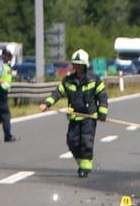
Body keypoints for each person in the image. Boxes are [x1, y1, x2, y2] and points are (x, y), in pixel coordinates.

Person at [40, 49, 108, 177]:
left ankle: (85, 170)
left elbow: (102, 96)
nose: (75, 66)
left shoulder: (94, 80)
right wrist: (46, 103)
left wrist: (102, 112)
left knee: (86, 142)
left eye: (78, 64)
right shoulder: (68, 80)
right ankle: (82, 163)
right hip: (74, 117)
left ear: (84, 65)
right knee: (72, 142)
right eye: (74, 63)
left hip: (89, 117)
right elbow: (58, 93)